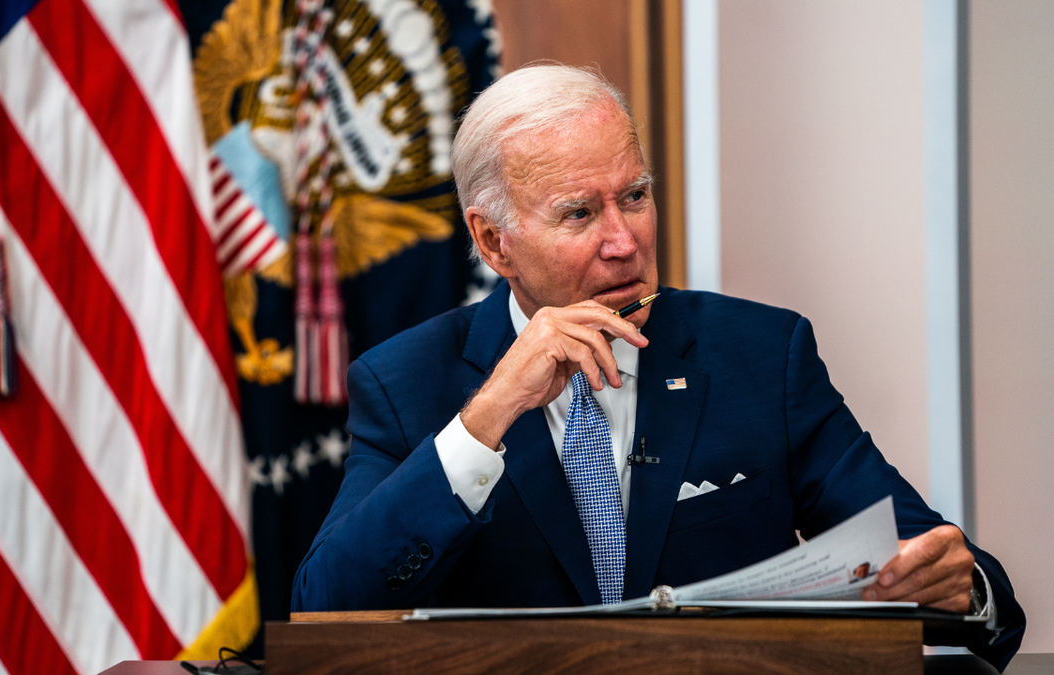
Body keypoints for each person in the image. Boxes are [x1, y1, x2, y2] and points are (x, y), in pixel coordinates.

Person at [291, 64, 1024, 669]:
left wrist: (966, 584)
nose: (623, 241)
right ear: (494, 243)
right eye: (579, 214)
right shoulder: (405, 381)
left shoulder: (761, 355)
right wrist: (486, 418)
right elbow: (325, 609)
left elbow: (935, 562)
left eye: (635, 197)